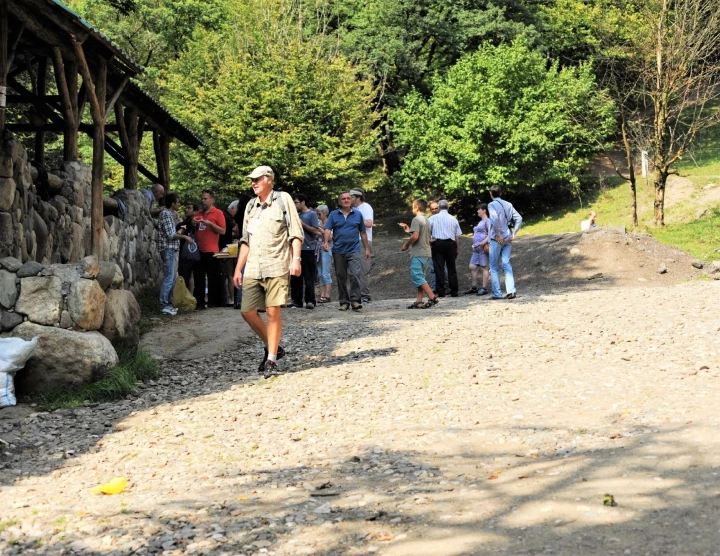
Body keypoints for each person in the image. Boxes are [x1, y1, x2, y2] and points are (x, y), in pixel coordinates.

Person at [233, 166, 304, 377]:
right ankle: (275, 346)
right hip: (253, 267)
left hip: (277, 264)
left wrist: (296, 259)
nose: (253, 183)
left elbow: (296, 232)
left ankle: (271, 358)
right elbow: (246, 240)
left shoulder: (283, 199)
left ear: (269, 179)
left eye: (257, 179)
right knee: (247, 311)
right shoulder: (250, 206)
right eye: (251, 180)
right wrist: (238, 269)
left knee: (273, 312)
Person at [323, 191, 371, 311]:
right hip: (338, 250)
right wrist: (325, 242)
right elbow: (327, 229)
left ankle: (355, 301)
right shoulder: (334, 215)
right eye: (343, 199)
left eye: (348, 198)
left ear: (351, 200)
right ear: (339, 202)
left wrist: (366, 249)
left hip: (354, 249)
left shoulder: (358, 214)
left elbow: (363, 232)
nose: (346, 200)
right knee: (341, 276)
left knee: (355, 275)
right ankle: (344, 302)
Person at [157, 193, 194, 315]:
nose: (179, 204)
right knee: (169, 277)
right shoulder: (166, 214)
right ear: (172, 203)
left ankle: (168, 304)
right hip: (168, 249)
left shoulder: (167, 214)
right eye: (177, 202)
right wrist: (185, 237)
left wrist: (181, 230)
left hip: (170, 249)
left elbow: (172, 233)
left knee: (171, 277)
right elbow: (171, 235)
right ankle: (164, 304)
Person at [400, 199, 440, 309]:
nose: (412, 209)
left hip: (418, 252)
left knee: (416, 276)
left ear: (417, 208)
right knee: (421, 277)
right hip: (427, 252)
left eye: (413, 207)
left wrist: (406, 245)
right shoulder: (427, 220)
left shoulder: (416, 219)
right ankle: (419, 300)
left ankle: (432, 297)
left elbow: (416, 236)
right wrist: (408, 230)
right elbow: (420, 234)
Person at [192, 189, 226, 309]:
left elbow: (223, 230)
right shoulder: (199, 213)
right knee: (199, 277)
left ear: (212, 199)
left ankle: (213, 301)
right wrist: (194, 223)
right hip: (199, 250)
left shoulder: (218, 213)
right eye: (202, 198)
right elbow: (194, 227)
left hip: (211, 250)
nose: (203, 201)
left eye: (206, 199)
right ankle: (200, 302)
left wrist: (210, 224)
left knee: (213, 277)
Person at [488, 185, 523, 300]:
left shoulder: (491, 205)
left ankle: (497, 293)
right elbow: (519, 218)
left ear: (491, 194)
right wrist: (514, 233)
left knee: (493, 266)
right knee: (506, 264)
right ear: (501, 193)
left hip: (496, 239)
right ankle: (511, 291)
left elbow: (494, 219)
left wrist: (497, 234)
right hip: (508, 237)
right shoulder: (508, 204)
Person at [290, 194, 321, 309]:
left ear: (303, 203)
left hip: (308, 248)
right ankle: (296, 301)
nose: (294, 205)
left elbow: (316, 231)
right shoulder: (296, 215)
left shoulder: (311, 214)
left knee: (309, 276)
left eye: (296, 202)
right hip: (296, 250)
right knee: (296, 276)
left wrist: (302, 224)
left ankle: (310, 300)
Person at [429, 199, 462, 297]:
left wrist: (429, 240)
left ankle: (441, 291)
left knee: (439, 268)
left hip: (437, 243)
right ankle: (454, 291)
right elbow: (457, 236)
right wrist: (457, 248)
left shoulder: (432, 218)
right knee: (452, 268)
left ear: (439, 207)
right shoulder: (453, 218)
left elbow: (427, 231)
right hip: (451, 244)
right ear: (447, 207)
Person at [350, 188, 374, 303]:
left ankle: (365, 295)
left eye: (351, 197)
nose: (349, 199)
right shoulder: (353, 209)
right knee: (354, 269)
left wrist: (354, 221)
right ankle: (357, 294)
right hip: (354, 241)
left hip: (363, 241)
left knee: (363, 269)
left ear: (358, 197)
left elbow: (369, 223)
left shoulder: (366, 207)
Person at [464, 203, 491, 296]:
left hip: (482, 247)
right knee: (472, 266)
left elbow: (491, 234)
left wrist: (482, 243)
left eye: (479, 209)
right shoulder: (481, 221)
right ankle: (474, 287)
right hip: (476, 248)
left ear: (484, 210)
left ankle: (484, 288)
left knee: (484, 267)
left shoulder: (487, 221)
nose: (477, 211)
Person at [219, 202, 237, 306]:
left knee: (228, 274)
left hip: (225, 248)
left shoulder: (222, 214)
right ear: (232, 208)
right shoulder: (228, 216)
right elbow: (235, 228)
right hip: (228, 248)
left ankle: (231, 298)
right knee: (230, 274)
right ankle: (232, 299)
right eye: (236, 210)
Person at [178, 203, 198, 289]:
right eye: (186, 208)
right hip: (185, 254)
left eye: (189, 208)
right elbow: (179, 231)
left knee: (191, 277)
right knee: (186, 277)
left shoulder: (199, 223)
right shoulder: (185, 224)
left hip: (195, 255)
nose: (186, 210)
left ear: (195, 211)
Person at [315, 204, 333, 303]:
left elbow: (330, 237)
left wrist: (320, 229)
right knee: (320, 273)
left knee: (326, 273)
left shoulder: (330, 222)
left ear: (325, 213)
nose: (318, 215)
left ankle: (328, 295)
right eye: (317, 213)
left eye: (319, 214)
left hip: (327, 249)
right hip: (318, 250)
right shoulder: (318, 222)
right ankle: (322, 294)